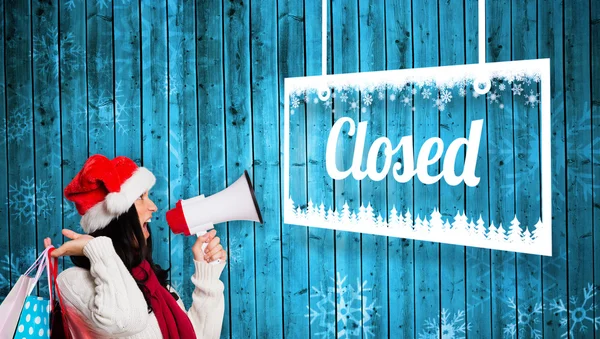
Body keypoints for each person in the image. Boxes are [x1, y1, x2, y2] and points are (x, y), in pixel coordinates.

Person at [44, 154, 227, 338]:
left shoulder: (156, 285)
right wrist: (99, 250)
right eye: (141, 197)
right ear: (115, 217)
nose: (154, 206)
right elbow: (127, 322)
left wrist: (208, 277)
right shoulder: (73, 281)